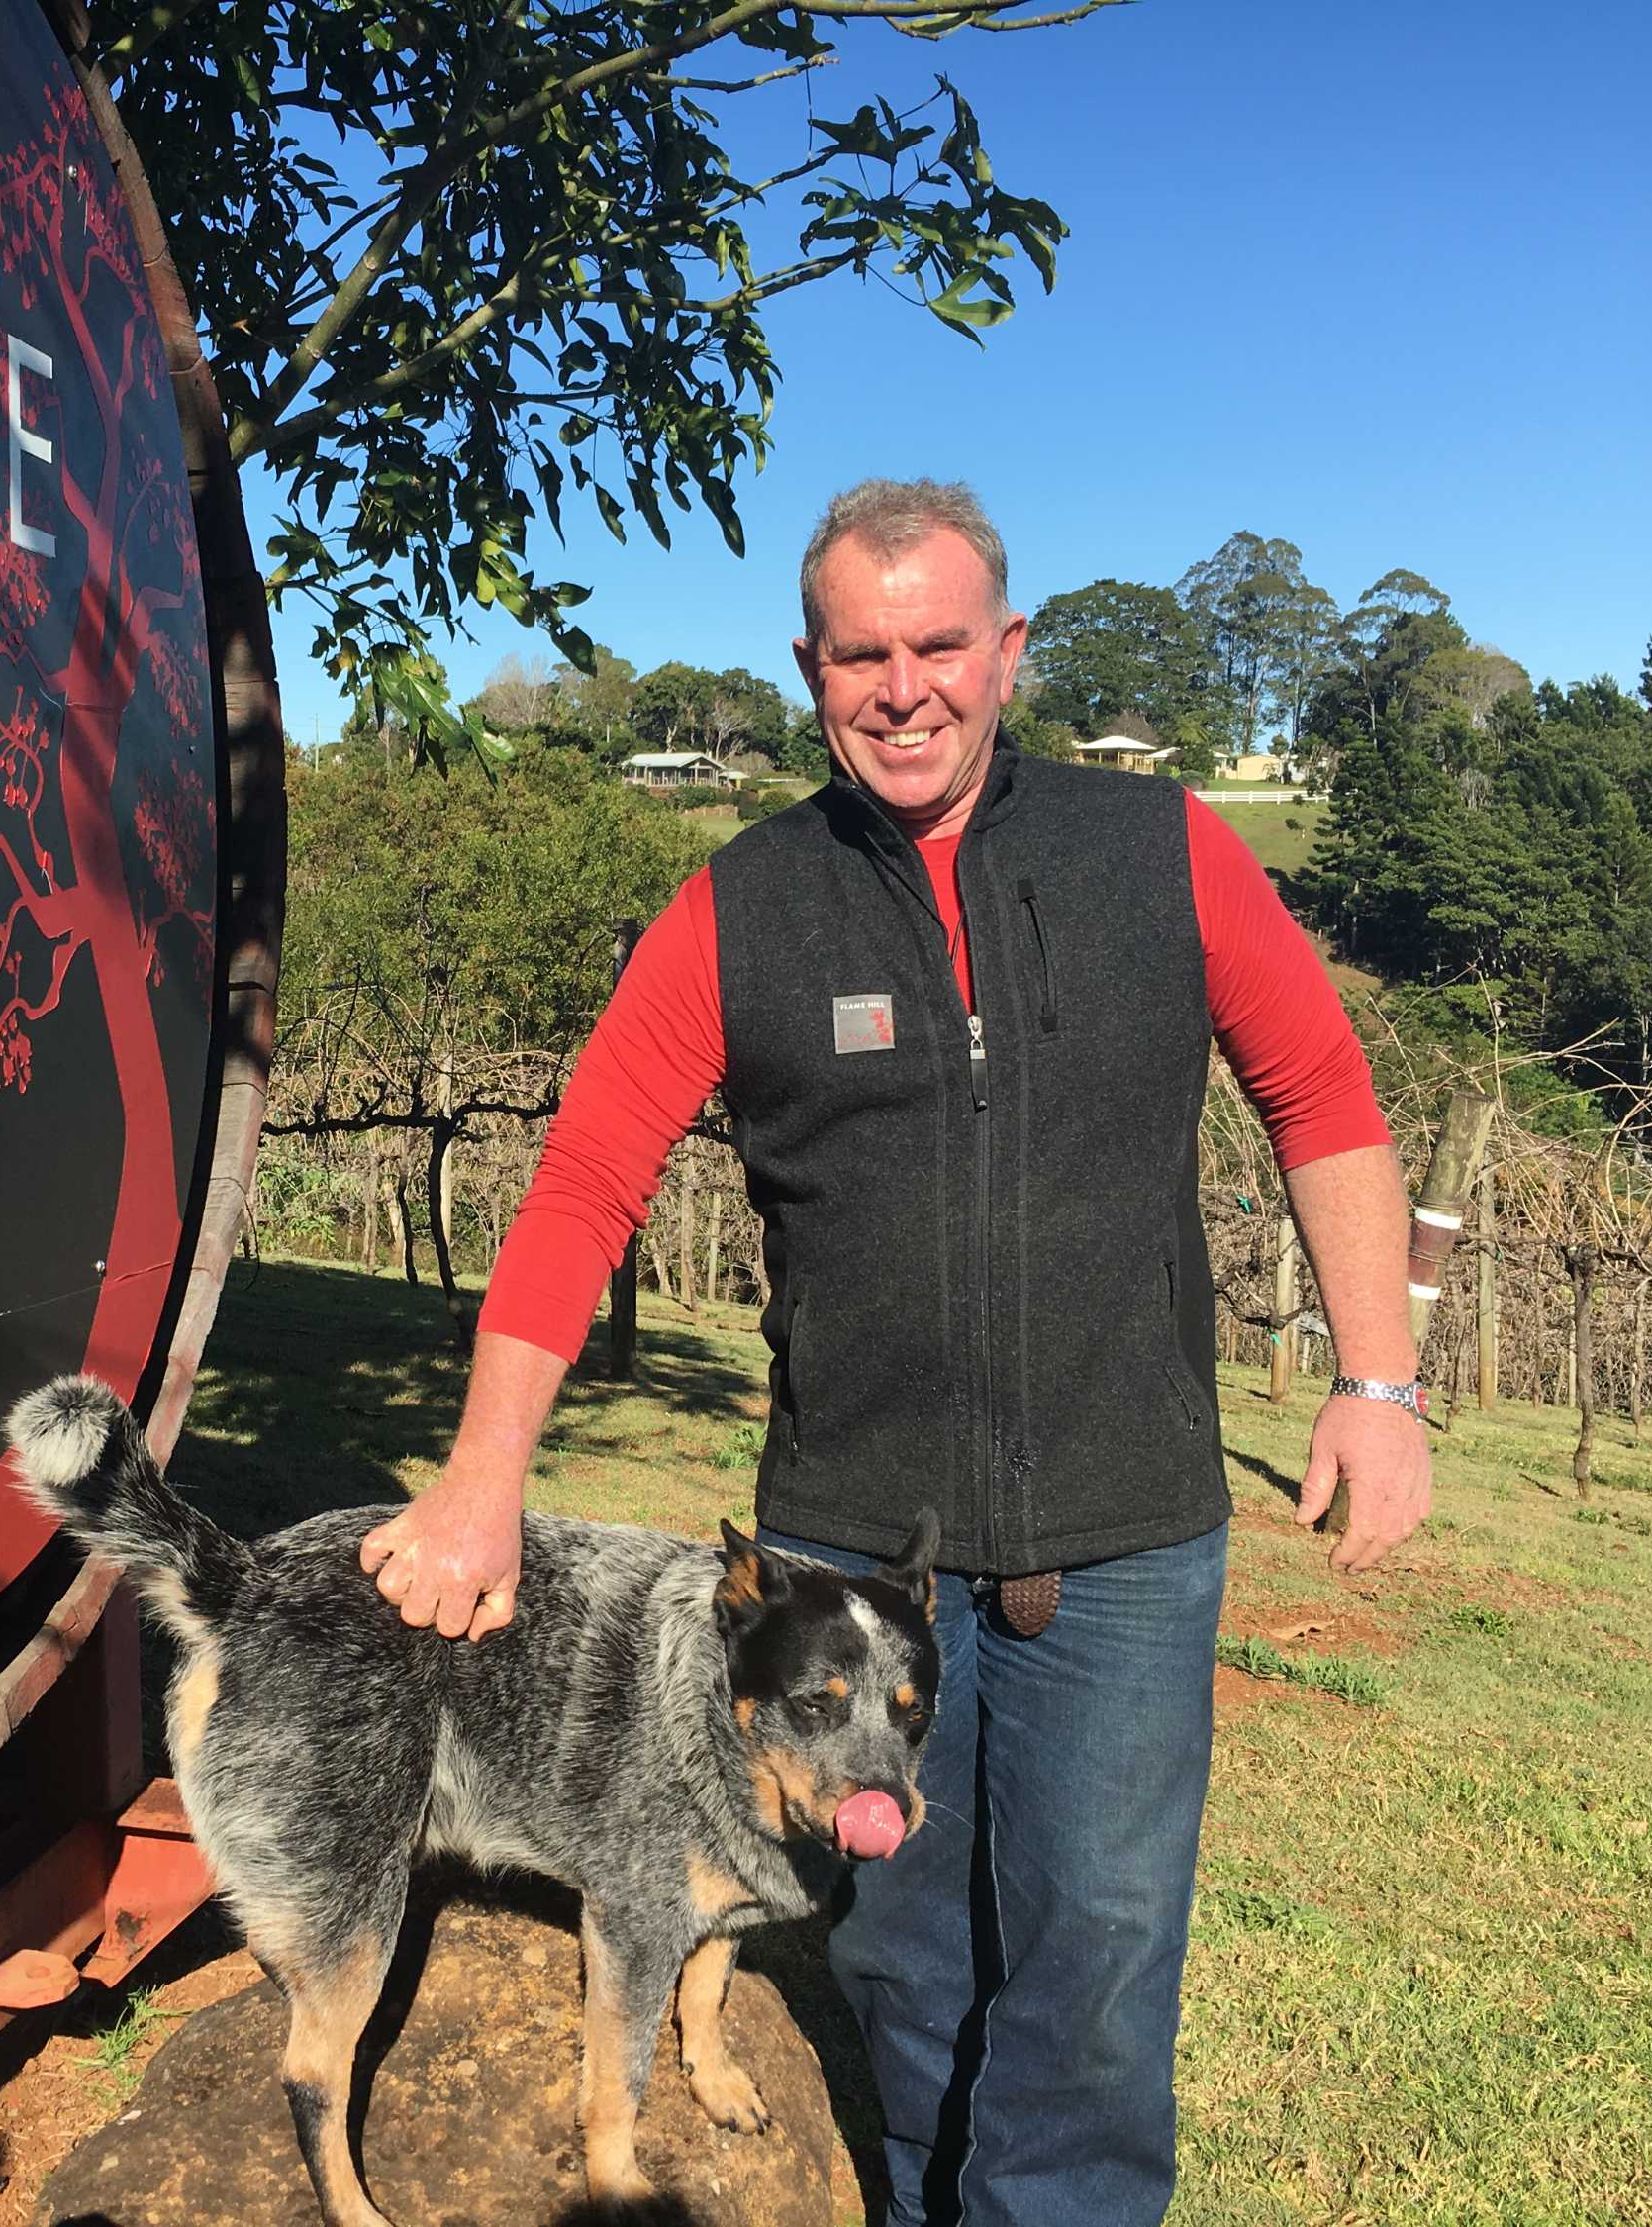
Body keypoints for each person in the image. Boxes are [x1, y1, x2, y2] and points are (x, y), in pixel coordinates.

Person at [354, 478, 1429, 2226]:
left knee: (1094, 1969)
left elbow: (1322, 1091)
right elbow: (580, 1191)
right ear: (810, 667)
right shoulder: (741, 911)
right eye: (864, 653)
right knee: (906, 1977)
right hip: (853, 1549)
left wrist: (1377, 1383)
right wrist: (483, 1482)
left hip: (1129, 1530)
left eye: (941, 645)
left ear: (1007, 652)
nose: (905, 686)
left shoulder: (1164, 855)